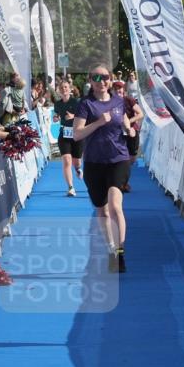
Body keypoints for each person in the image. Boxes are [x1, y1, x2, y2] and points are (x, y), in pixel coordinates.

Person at [72, 63, 134, 273]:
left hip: (118, 159)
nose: (102, 81)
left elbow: (126, 123)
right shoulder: (86, 105)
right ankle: (110, 249)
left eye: (105, 77)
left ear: (110, 79)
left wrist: (129, 130)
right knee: (102, 210)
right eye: (96, 78)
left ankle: (120, 252)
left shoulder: (118, 101)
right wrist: (98, 122)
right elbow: (77, 134)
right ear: (90, 80)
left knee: (116, 206)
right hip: (94, 163)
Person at [54, 80, 83, 196]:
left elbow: (84, 116)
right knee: (66, 160)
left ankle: (78, 169)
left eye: (66, 87)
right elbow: (57, 114)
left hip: (77, 134)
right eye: (61, 88)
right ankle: (71, 187)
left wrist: (73, 116)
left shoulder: (76, 102)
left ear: (70, 89)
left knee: (76, 162)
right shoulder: (58, 103)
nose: (64, 89)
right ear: (59, 91)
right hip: (64, 134)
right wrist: (56, 118)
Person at [115, 80, 143, 193]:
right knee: (121, 158)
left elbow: (141, 114)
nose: (118, 92)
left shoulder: (129, 100)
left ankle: (124, 180)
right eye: (116, 90)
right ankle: (121, 183)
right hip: (118, 133)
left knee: (131, 158)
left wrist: (129, 122)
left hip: (132, 130)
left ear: (124, 91)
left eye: (120, 90)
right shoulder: (110, 102)